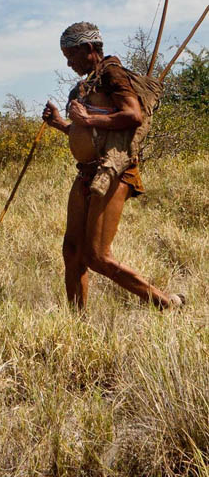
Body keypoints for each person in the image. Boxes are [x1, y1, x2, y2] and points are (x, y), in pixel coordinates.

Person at [43, 21, 181, 311]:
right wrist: (61, 124)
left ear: (88, 48)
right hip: (86, 173)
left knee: (97, 257)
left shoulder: (112, 75)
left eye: (71, 55)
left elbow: (132, 115)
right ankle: (76, 323)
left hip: (113, 173)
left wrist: (88, 120)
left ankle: (165, 302)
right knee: (72, 251)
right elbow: (90, 133)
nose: (68, 63)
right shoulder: (87, 83)